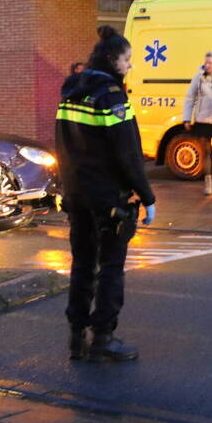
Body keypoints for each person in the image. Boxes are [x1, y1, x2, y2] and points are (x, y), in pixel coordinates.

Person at [55, 25, 156, 362]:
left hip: (76, 194)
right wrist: (147, 195)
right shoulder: (111, 95)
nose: (130, 65)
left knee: (82, 264)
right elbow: (126, 152)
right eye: (127, 59)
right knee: (111, 267)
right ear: (113, 59)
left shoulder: (71, 90)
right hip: (107, 198)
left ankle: (75, 336)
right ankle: (104, 338)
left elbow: (64, 147)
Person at [182, 52, 212, 195]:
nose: (207, 65)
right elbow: (190, 98)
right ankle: (208, 184)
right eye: (206, 62)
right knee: (206, 152)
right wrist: (187, 118)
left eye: (210, 63)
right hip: (202, 120)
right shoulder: (198, 77)